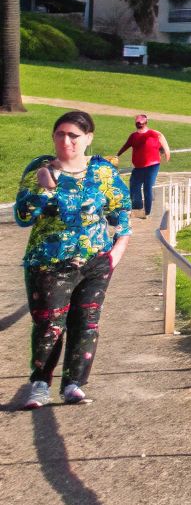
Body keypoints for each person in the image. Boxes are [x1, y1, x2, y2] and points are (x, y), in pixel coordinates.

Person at [16, 111, 132, 408]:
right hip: (48, 263)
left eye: (73, 135)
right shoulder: (40, 169)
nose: (66, 141)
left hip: (96, 262)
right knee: (49, 324)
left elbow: (122, 212)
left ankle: (74, 384)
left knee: (86, 322)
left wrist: (117, 251)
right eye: (60, 134)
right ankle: (40, 383)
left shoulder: (103, 172)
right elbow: (23, 217)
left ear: (88, 138)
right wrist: (44, 189)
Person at [114, 113, 170, 220]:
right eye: (137, 124)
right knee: (134, 187)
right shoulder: (133, 136)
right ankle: (138, 209)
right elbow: (126, 146)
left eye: (141, 124)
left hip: (152, 166)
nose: (139, 125)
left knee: (148, 188)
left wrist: (165, 152)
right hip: (138, 167)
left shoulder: (153, 134)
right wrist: (117, 155)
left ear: (146, 123)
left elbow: (161, 143)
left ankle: (147, 212)